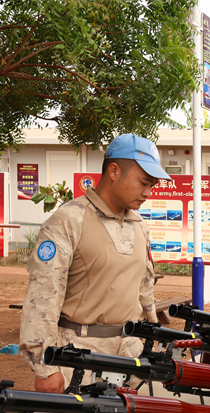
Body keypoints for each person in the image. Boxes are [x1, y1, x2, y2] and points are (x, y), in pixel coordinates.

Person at [19, 134, 170, 393]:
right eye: (144, 183)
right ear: (114, 171)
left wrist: (150, 342)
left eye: (152, 185)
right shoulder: (69, 221)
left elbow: (145, 291)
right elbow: (42, 298)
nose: (148, 192)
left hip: (131, 357)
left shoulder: (139, 226)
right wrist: (44, 368)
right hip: (79, 358)